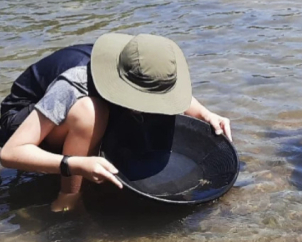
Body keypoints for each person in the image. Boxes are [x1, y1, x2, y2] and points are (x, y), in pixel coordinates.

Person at [0, 33, 232, 212]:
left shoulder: (143, 66)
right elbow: (10, 153)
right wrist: (74, 165)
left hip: (74, 111)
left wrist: (205, 114)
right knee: (90, 113)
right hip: (23, 121)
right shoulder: (76, 82)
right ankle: (67, 196)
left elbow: (164, 89)